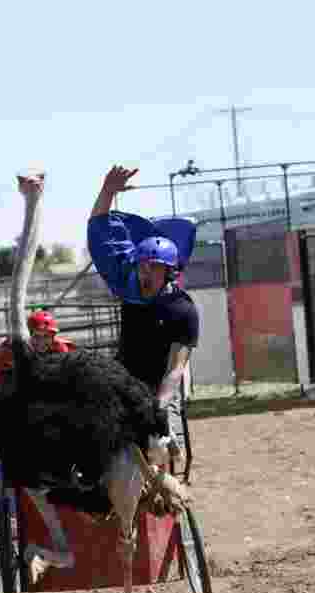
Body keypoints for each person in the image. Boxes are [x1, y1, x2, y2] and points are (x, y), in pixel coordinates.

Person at [86, 165, 199, 466]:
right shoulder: (128, 283)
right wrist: (107, 191)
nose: (146, 271)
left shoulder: (183, 310)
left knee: (167, 438)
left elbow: (176, 370)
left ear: (170, 271)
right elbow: (100, 231)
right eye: (143, 265)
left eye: (154, 267)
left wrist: (159, 407)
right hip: (125, 378)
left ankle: (175, 486)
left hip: (162, 384)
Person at [0, 310, 77, 405]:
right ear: (27, 335)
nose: (42, 341)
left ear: (54, 336)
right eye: (37, 337)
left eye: (47, 336)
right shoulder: (9, 351)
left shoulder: (62, 349)